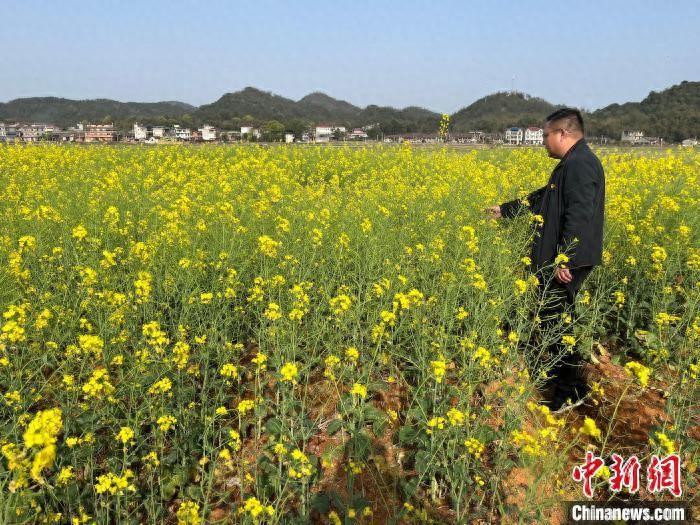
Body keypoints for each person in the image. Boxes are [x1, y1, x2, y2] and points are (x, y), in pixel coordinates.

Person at [487, 108, 605, 410]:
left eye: (546, 135)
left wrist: (566, 258)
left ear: (562, 134)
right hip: (560, 258)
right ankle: (559, 377)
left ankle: (571, 391)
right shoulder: (571, 163)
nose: (543, 141)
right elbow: (544, 197)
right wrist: (506, 210)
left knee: (556, 322)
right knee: (553, 318)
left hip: (565, 261)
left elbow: (579, 214)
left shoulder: (580, 165)